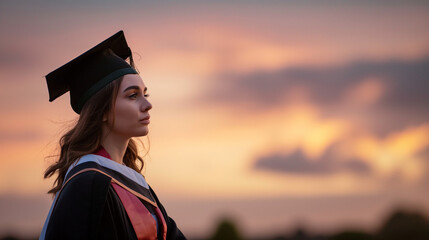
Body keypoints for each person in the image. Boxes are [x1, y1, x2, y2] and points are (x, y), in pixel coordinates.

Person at [39, 30, 187, 240]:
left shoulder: (134, 183)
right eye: (133, 96)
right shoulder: (87, 184)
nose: (147, 105)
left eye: (145, 94)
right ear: (103, 111)